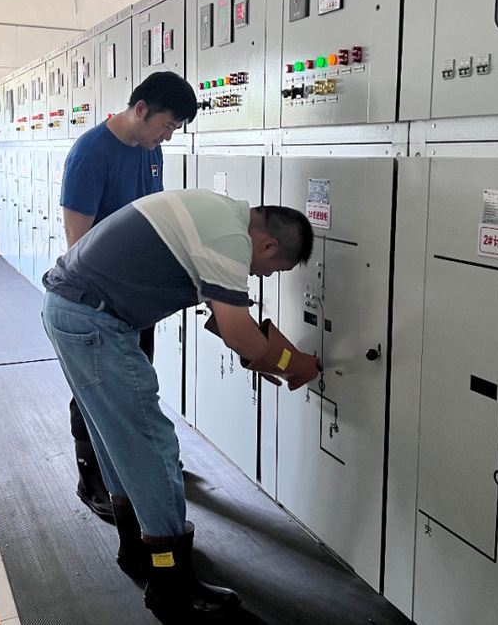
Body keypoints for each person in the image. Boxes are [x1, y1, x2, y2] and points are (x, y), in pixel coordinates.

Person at [41, 189, 322, 620]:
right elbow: (238, 333)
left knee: (120, 442)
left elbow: (228, 321)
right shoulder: (230, 240)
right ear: (267, 245)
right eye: (272, 269)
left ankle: (136, 551)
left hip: (71, 311)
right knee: (153, 448)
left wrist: (266, 355)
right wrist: (292, 364)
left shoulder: (218, 214)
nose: (262, 276)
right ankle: (172, 587)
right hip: (95, 323)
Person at [57, 71, 197, 522]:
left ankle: (139, 465)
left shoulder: (150, 150)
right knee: (95, 387)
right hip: (98, 300)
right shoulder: (91, 153)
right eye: (167, 125)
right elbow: (78, 242)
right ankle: (92, 476)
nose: (168, 135)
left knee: (135, 382)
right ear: (140, 109)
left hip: (136, 296)